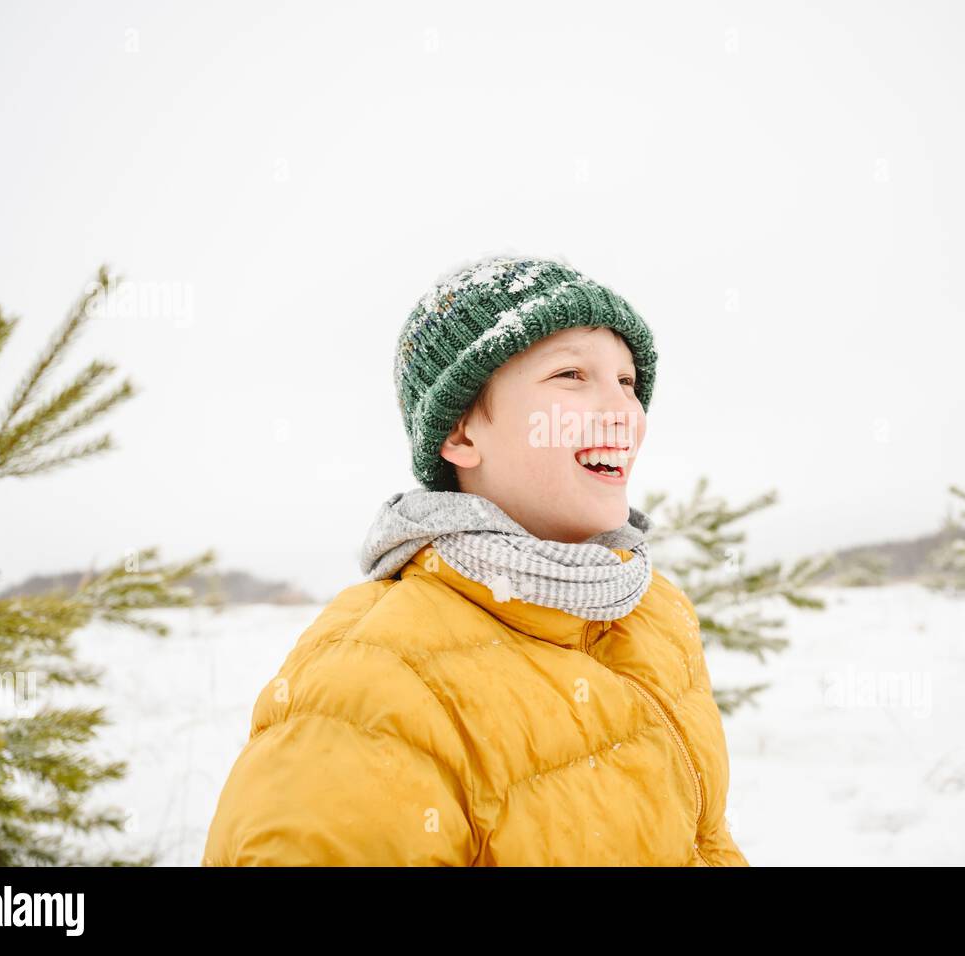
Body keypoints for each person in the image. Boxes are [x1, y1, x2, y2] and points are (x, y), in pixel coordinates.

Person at [201, 255, 748, 866]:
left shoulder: (653, 612)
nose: (624, 412)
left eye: (627, 382)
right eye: (571, 375)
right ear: (461, 433)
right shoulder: (365, 689)